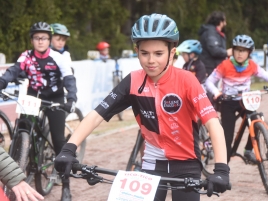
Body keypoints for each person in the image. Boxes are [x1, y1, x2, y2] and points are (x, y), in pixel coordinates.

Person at [54, 13, 230, 201]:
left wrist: (221, 168)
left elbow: (212, 123)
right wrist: (68, 149)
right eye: (144, 53)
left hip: (186, 163)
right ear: (136, 51)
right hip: (152, 163)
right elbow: (97, 115)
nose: (151, 60)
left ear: (172, 53)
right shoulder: (133, 81)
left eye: (158, 54)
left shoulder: (187, 80)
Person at [0, 22, 77, 201]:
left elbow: (69, 79)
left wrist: (71, 99)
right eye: (36, 38)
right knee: (23, 127)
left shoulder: (59, 57)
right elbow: (12, 72)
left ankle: (66, 185)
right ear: (32, 40)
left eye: (44, 38)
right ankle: (20, 161)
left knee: (59, 141)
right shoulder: (26, 56)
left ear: (49, 40)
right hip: (33, 97)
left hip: (55, 99)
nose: (40, 41)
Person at [205, 35, 268, 163]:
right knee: (227, 138)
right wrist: (216, 92)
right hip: (227, 102)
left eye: (244, 50)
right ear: (233, 50)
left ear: (249, 52)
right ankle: (223, 173)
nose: (240, 53)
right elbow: (209, 82)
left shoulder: (252, 65)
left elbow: (264, 74)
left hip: (245, 101)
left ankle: (248, 150)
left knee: (257, 122)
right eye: (237, 50)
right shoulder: (225, 65)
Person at [198, 11, 232, 76]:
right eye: (224, 21)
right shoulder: (211, 33)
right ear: (220, 22)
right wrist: (227, 52)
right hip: (210, 68)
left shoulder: (212, 32)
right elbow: (214, 50)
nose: (225, 24)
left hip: (212, 67)